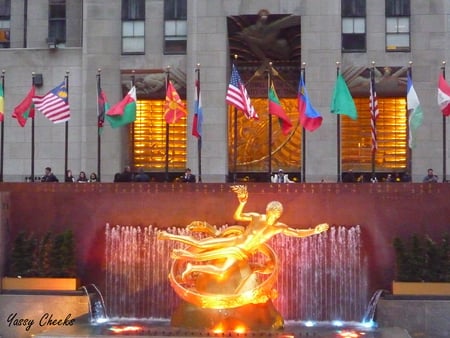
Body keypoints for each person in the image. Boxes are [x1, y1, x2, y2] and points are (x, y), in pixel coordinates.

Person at [158, 185, 329, 280]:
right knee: (199, 244)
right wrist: (242, 202)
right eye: (272, 212)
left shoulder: (279, 227)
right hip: (235, 241)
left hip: (241, 252)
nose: (274, 216)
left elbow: (297, 233)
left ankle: (192, 267)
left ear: (279, 215)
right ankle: (168, 236)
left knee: (220, 271)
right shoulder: (257, 217)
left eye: (277, 214)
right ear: (268, 211)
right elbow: (237, 216)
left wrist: (314, 230)